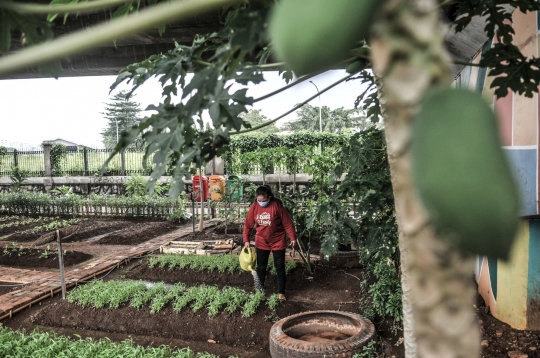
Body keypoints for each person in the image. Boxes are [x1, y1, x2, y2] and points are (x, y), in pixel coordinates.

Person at [243, 185, 296, 301]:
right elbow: (248, 224)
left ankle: (281, 292)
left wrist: (293, 237)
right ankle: (259, 291)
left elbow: (287, 222)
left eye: (264, 200)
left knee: (280, 267)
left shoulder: (277, 205)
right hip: (262, 241)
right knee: (261, 267)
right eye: (259, 200)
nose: (261, 202)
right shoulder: (255, 207)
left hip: (278, 240)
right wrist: (246, 240)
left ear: (269, 197)